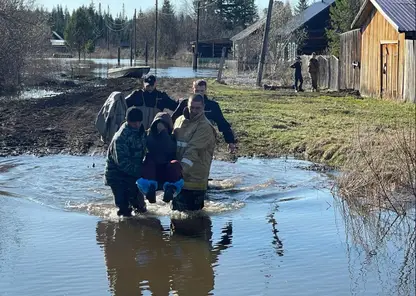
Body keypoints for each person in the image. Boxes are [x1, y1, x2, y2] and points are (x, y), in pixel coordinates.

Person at [171, 94, 216, 211]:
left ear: (203, 107)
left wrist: (178, 173)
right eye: (192, 108)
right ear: (187, 105)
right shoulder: (179, 121)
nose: (194, 111)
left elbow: (193, 151)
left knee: (193, 221)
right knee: (175, 217)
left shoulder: (205, 127)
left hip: (195, 182)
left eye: (198, 108)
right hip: (179, 180)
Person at [171, 79, 237, 153]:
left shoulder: (212, 106)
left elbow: (222, 124)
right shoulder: (184, 104)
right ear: (193, 89)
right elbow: (172, 120)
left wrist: (230, 142)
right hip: (186, 139)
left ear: (205, 90)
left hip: (204, 140)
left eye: (201, 91)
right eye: (197, 91)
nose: (199, 93)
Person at [104, 107, 147, 217]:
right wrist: (143, 173)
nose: (137, 125)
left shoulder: (142, 132)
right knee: (124, 210)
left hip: (133, 173)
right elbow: (123, 164)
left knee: (140, 208)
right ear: (128, 121)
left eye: (139, 122)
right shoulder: (120, 138)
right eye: (134, 123)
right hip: (117, 175)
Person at [136, 112, 184, 204]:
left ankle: (161, 189)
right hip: (159, 172)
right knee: (150, 160)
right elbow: (169, 147)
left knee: (173, 164)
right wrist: (164, 134)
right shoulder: (153, 136)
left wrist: (163, 133)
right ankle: (159, 189)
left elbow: (170, 147)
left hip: (160, 172)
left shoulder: (150, 135)